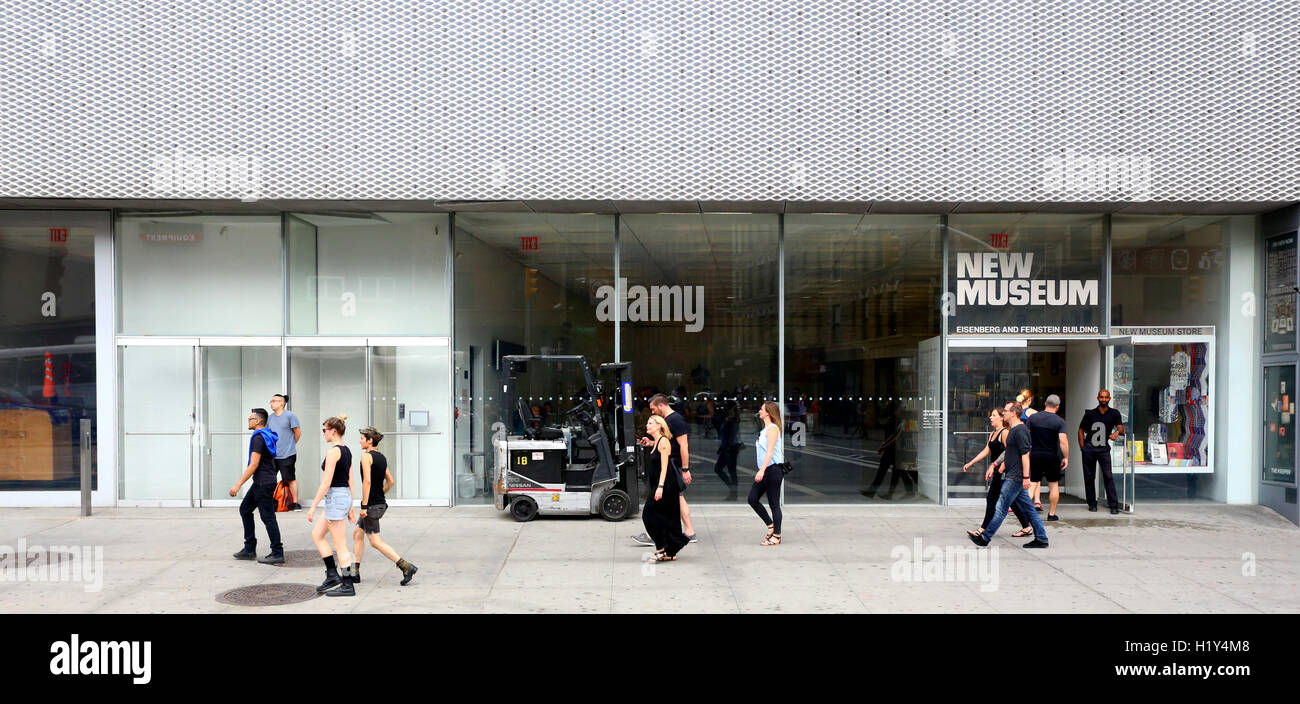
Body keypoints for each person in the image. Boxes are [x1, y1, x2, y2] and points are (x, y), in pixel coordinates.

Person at [968, 402, 1048, 548]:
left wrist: (1025, 477)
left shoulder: (1020, 431)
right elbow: (1008, 453)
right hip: (1012, 475)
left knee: (1001, 508)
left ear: (1013, 413)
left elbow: (1025, 454)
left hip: (1015, 477)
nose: (1003, 413)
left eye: (1005, 411)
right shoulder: (1013, 430)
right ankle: (1042, 539)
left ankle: (985, 537)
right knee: (1029, 510)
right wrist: (997, 466)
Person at [350, 427, 418, 586]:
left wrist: (365, 506)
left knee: (375, 541)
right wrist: (379, 494)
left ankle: (406, 566)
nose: (360, 441)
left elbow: (367, 481)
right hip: (379, 503)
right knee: (357, 534)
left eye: (362, 438)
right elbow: (391, 481)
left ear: (370, 441)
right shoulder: (381, 457)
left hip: (371, 506)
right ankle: (354, 573)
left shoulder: (366, 456)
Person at [632, 394, 697, 545]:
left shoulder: (676, 420)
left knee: (662, 501)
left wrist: (685, 469)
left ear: (661, 405)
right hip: (670, 463)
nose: (653, 413)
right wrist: (651, 443)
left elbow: (683, 445)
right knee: (678, 499)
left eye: (653, 409)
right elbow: (668, 442)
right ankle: (689, 531)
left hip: (671, 464)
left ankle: (654, 535)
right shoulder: (669, 420)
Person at [307, 414, 357, 597]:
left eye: (324, 430)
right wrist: (351, 505)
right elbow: (351, 480)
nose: (323, 433)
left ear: (333, 431)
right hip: (340, 497)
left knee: (341, 545)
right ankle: (332, 575)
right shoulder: (347, 450)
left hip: (335, 497)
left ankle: (347, 584)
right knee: (317, 535)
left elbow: (326, 483)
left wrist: (312, 506)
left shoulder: (333, 452)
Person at [962, 409, 1032, 538]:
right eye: (991, 415)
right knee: (1013, 501)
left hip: (1004, 471)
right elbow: (985, 451)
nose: (990, 417)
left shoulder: (1005, 433)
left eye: (994, 415)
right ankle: (1027, 526)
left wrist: (996, 466)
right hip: (997, 470)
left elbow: (1009, 452)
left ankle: (983, 529)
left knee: (992, 498)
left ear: (1001, 418)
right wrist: (971, 463)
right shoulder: (993, 433)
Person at [230, 408, 285, 564]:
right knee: (245, 509)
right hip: (263, 481)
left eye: (251, 418)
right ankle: (249, 549)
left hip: (263, 482)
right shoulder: (266, 435)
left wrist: (238, 484)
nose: (249, 420)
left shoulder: (258, 438)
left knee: (268, 517)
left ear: (258, 421)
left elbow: (253, 465)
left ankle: (277, 552)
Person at [640, 415, 688, 562]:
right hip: (659, 485)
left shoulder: (664, 441)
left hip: (666, 485)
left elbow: (664, 468)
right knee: (665, 517)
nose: (647, 425)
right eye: (647, 422)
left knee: (649, 515)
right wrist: (650, 443)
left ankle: (662, 549)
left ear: (659, 426)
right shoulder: (658, 442)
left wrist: (660, 487)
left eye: (650, 423)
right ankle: (669, 550)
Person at [1079, 389, 1125, 514]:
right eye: (1101, 397)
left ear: (1109, 398)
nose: (1104, 399)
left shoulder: (1114, 413)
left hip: (1104, 450)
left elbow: (1121, 428)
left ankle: (1113, 505)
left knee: (1108, 476)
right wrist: (1082, 447)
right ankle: (1092, 504)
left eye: (1106, 397)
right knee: (1089, 477)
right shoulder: (1090, 414)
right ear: (1098, 398)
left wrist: (1116, 433)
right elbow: (1081, 429)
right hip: (1089, 448)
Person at [1027, 394, 1070, 521]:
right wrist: (1066, 457)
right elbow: (1063, 440)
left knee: (1032, 483)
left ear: (1045, 403)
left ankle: (1026, 514)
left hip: (1035, 455)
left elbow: (1026, 436)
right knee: (1053, 484)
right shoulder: (1060, 422)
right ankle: (1051, 514)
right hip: (1052, 456)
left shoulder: (1033, 418)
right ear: (1057, 407)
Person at [749, 402, 785, 546]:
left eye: (762, 409)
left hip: (773, 470)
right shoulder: (765, 429)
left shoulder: (772, 429)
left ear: (768, 413)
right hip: (766, 470)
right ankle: (771, 526)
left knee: (774, 504)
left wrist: (762, 470)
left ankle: (777, 535)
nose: (759, 410)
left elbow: (770, 451)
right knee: (752, 499)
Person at [862, 402, 914, 499]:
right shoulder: (897, 421)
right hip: (895, 451)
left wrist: (883, 447)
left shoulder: (894, 421)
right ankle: (904, 491)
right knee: (899, 473)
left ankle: (876, 492)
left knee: (888, 473)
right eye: (899, 408)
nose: (901, 409)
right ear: (895, 411)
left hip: (893, 451)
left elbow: (891, 437)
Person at [266, 393, 302, 510]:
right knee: (270, 479)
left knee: (290, 479)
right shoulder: (270, 418)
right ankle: (271, 502)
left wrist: (291, 444)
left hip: (288, 454)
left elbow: (297, 432)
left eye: (274, 401)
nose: (272, 403)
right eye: (271, 401)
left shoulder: (290, 416)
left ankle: (295, 503)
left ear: (282, 403)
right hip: (273, 455)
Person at [1018, 388, 1043, 510]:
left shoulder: (1015, 411)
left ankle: (1034, 500)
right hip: (1032, 443)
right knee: (1035, 472)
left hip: (1019, 444)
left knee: (1020, 472)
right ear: (1030, 399)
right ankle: (1036, 500)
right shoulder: (1034, 413)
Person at [714, 396, 741, 501]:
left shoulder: (731, 420)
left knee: (720, 469)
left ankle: (733, 492)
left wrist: (725, 449)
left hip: (729, 449)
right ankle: (733, 493)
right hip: (729, 448)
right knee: (731, 471)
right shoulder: (730, 419)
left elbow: (730, 437)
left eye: (725, 407)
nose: (723, 408)